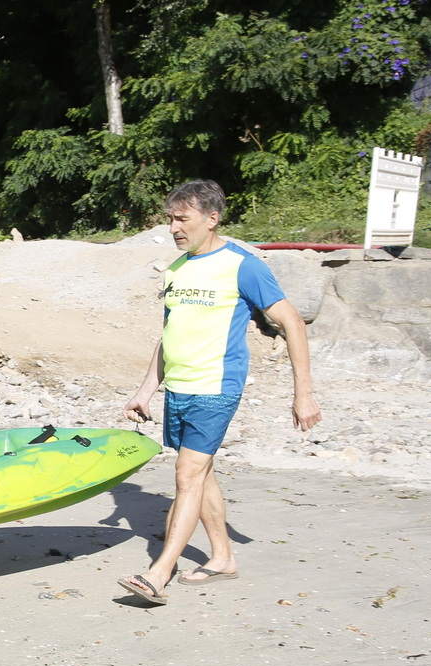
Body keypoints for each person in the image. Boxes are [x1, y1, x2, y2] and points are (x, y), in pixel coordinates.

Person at [118, 180, 322, 605]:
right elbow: (169, 335)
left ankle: (159, 573)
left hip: (216, 387)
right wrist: (145, 391)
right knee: (201, 471)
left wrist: (303, 394)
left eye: (182, 219)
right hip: (180, 387)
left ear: (212, 219)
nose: (173, 227)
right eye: (170, 218)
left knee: (187, 475)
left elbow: (293, 323)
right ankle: (223, 557)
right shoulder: (176, 270)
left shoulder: (242, 266)